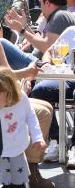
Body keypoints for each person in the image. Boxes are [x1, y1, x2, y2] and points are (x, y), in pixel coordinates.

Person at [28, 25, 75, 167]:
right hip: (67, 77)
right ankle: (56, 140)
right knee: (40, 90)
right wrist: (48, 63)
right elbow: (49, 51)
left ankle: (74, 146)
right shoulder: (71, 31)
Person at [1, 0, 75, 69]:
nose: (39, 2)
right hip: (38, 63)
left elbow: (46, 47)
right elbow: (41, 42)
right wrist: (24, 26)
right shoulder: (60, 14)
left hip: (42, 66)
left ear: (47, 3)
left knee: (1, 44)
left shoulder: (60, 16)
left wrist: (21, 30)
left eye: (40, 0)